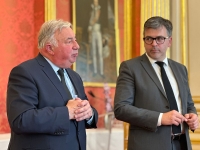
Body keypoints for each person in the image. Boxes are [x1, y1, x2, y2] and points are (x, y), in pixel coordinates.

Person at [7, 20, 98, 150]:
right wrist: (66, 112)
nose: (77, 45)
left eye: (75, 40)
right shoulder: (25, 72)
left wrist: (89, 114)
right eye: (69, 41)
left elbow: (82, 115)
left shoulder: (75, 76)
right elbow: (21, 120)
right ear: (50, 48)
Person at [114, 16, 199, 150]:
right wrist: (160, 118)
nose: (154, 44)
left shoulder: (180, 69)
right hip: (149, 145)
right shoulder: (130, 68)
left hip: (182, 144)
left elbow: (188, 104)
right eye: (149, 39)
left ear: (169, 41)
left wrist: (193, 116)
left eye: (159, 39)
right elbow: (121, 109)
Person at [88, 0, 104, 77]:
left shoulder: (99, 9)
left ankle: (101, 72)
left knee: (100, 53)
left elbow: (96, 18)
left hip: (98, 31)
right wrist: (90, 26)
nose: (95, 3)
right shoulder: (91, 10)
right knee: (93, 52)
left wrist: (91, 24)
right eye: (94, 2)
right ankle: (95, 71)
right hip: (93, 31)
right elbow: (90, 19)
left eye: (96, 2)